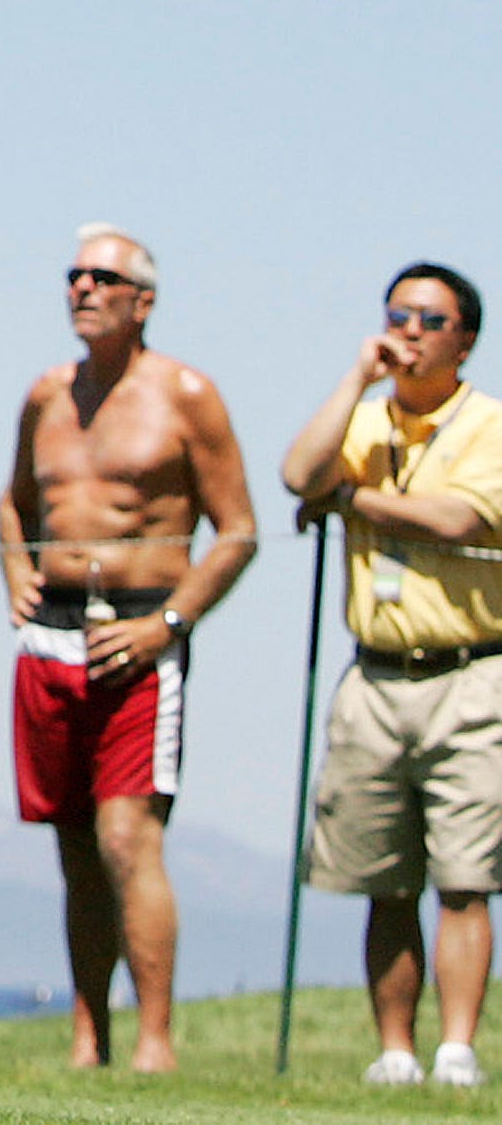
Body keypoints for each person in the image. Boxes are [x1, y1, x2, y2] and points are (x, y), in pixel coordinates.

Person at [0, 223, 257, 1073]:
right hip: (51, 636)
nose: (82, 289)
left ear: (143, 300)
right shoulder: (46, 394)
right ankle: (88, 1036)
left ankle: (154, 1040)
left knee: (127, 837)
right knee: (75, 847)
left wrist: (168, 624)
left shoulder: (186, 395)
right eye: (73, 275)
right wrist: (15, 571)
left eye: (101, 278)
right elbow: (13, 503)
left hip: (141, 639)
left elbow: (238, 531)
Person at [283, 264, 498, 1090]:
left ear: (464, 340)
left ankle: (457, 1052)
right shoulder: (365, 420)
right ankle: (397, 1051)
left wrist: (354, 502)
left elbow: (457, 518)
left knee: (466, 878)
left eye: (430, 320)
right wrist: (355, 381)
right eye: (398, 314)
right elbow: (299, 475)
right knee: (384, 877)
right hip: (372, 676)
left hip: (469, 674)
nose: (409, 331)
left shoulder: (488, 424)